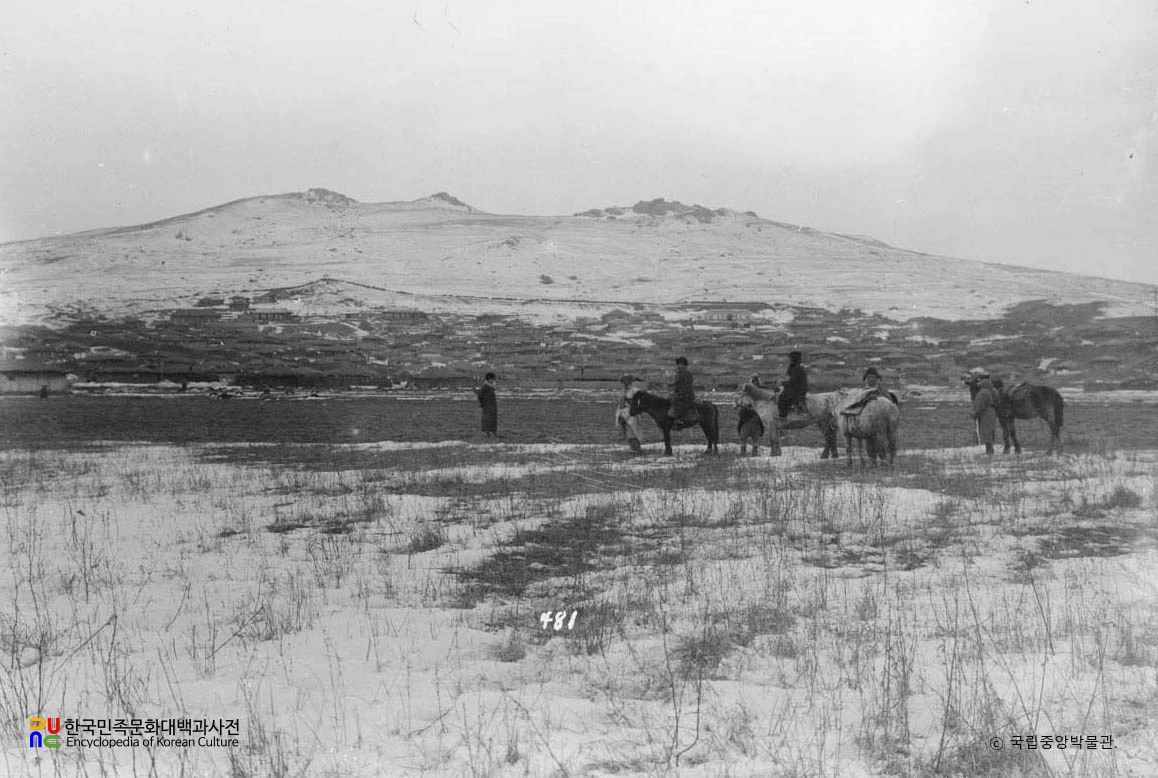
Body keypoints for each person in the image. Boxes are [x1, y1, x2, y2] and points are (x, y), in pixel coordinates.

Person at [971, 374, 1000, 456]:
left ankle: (989, 451)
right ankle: (989, 450)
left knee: (986, 432)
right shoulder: (993, 390)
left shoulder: (983, 392)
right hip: (992, 413)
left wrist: (974, 413)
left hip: (985, 414)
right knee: (990, 431)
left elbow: (979, 405)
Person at [777, 351, 808, 419]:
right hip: (791, 388)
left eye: (792, 359)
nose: (790, 360)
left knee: (781, 398)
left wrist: (784, 383)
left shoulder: (798, 369)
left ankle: (783, 416)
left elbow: (793, 381)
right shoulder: (791, 368)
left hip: (796, 390)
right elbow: (788, 378)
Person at [667, 357, 696, 425]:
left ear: (685, 365)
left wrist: (679, 393)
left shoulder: (687, 374)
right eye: (678, 364)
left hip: (686, 395)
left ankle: (679, 419)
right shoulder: (678, 374)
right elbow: (676, 384)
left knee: (678, 402)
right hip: (679, 394)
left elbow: (686, 386)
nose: (679, 366)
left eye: (681, 364)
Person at [475, 372, 498, 438]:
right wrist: (482, 403)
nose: (493, 380)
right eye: (492, 379)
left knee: (493, 419)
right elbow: (480, 395)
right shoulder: (485, 386)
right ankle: (488, 433)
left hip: (493, 406)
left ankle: (494, 432)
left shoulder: (491, 386)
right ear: (488, 379)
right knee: (487, 419)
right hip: (487, 406)